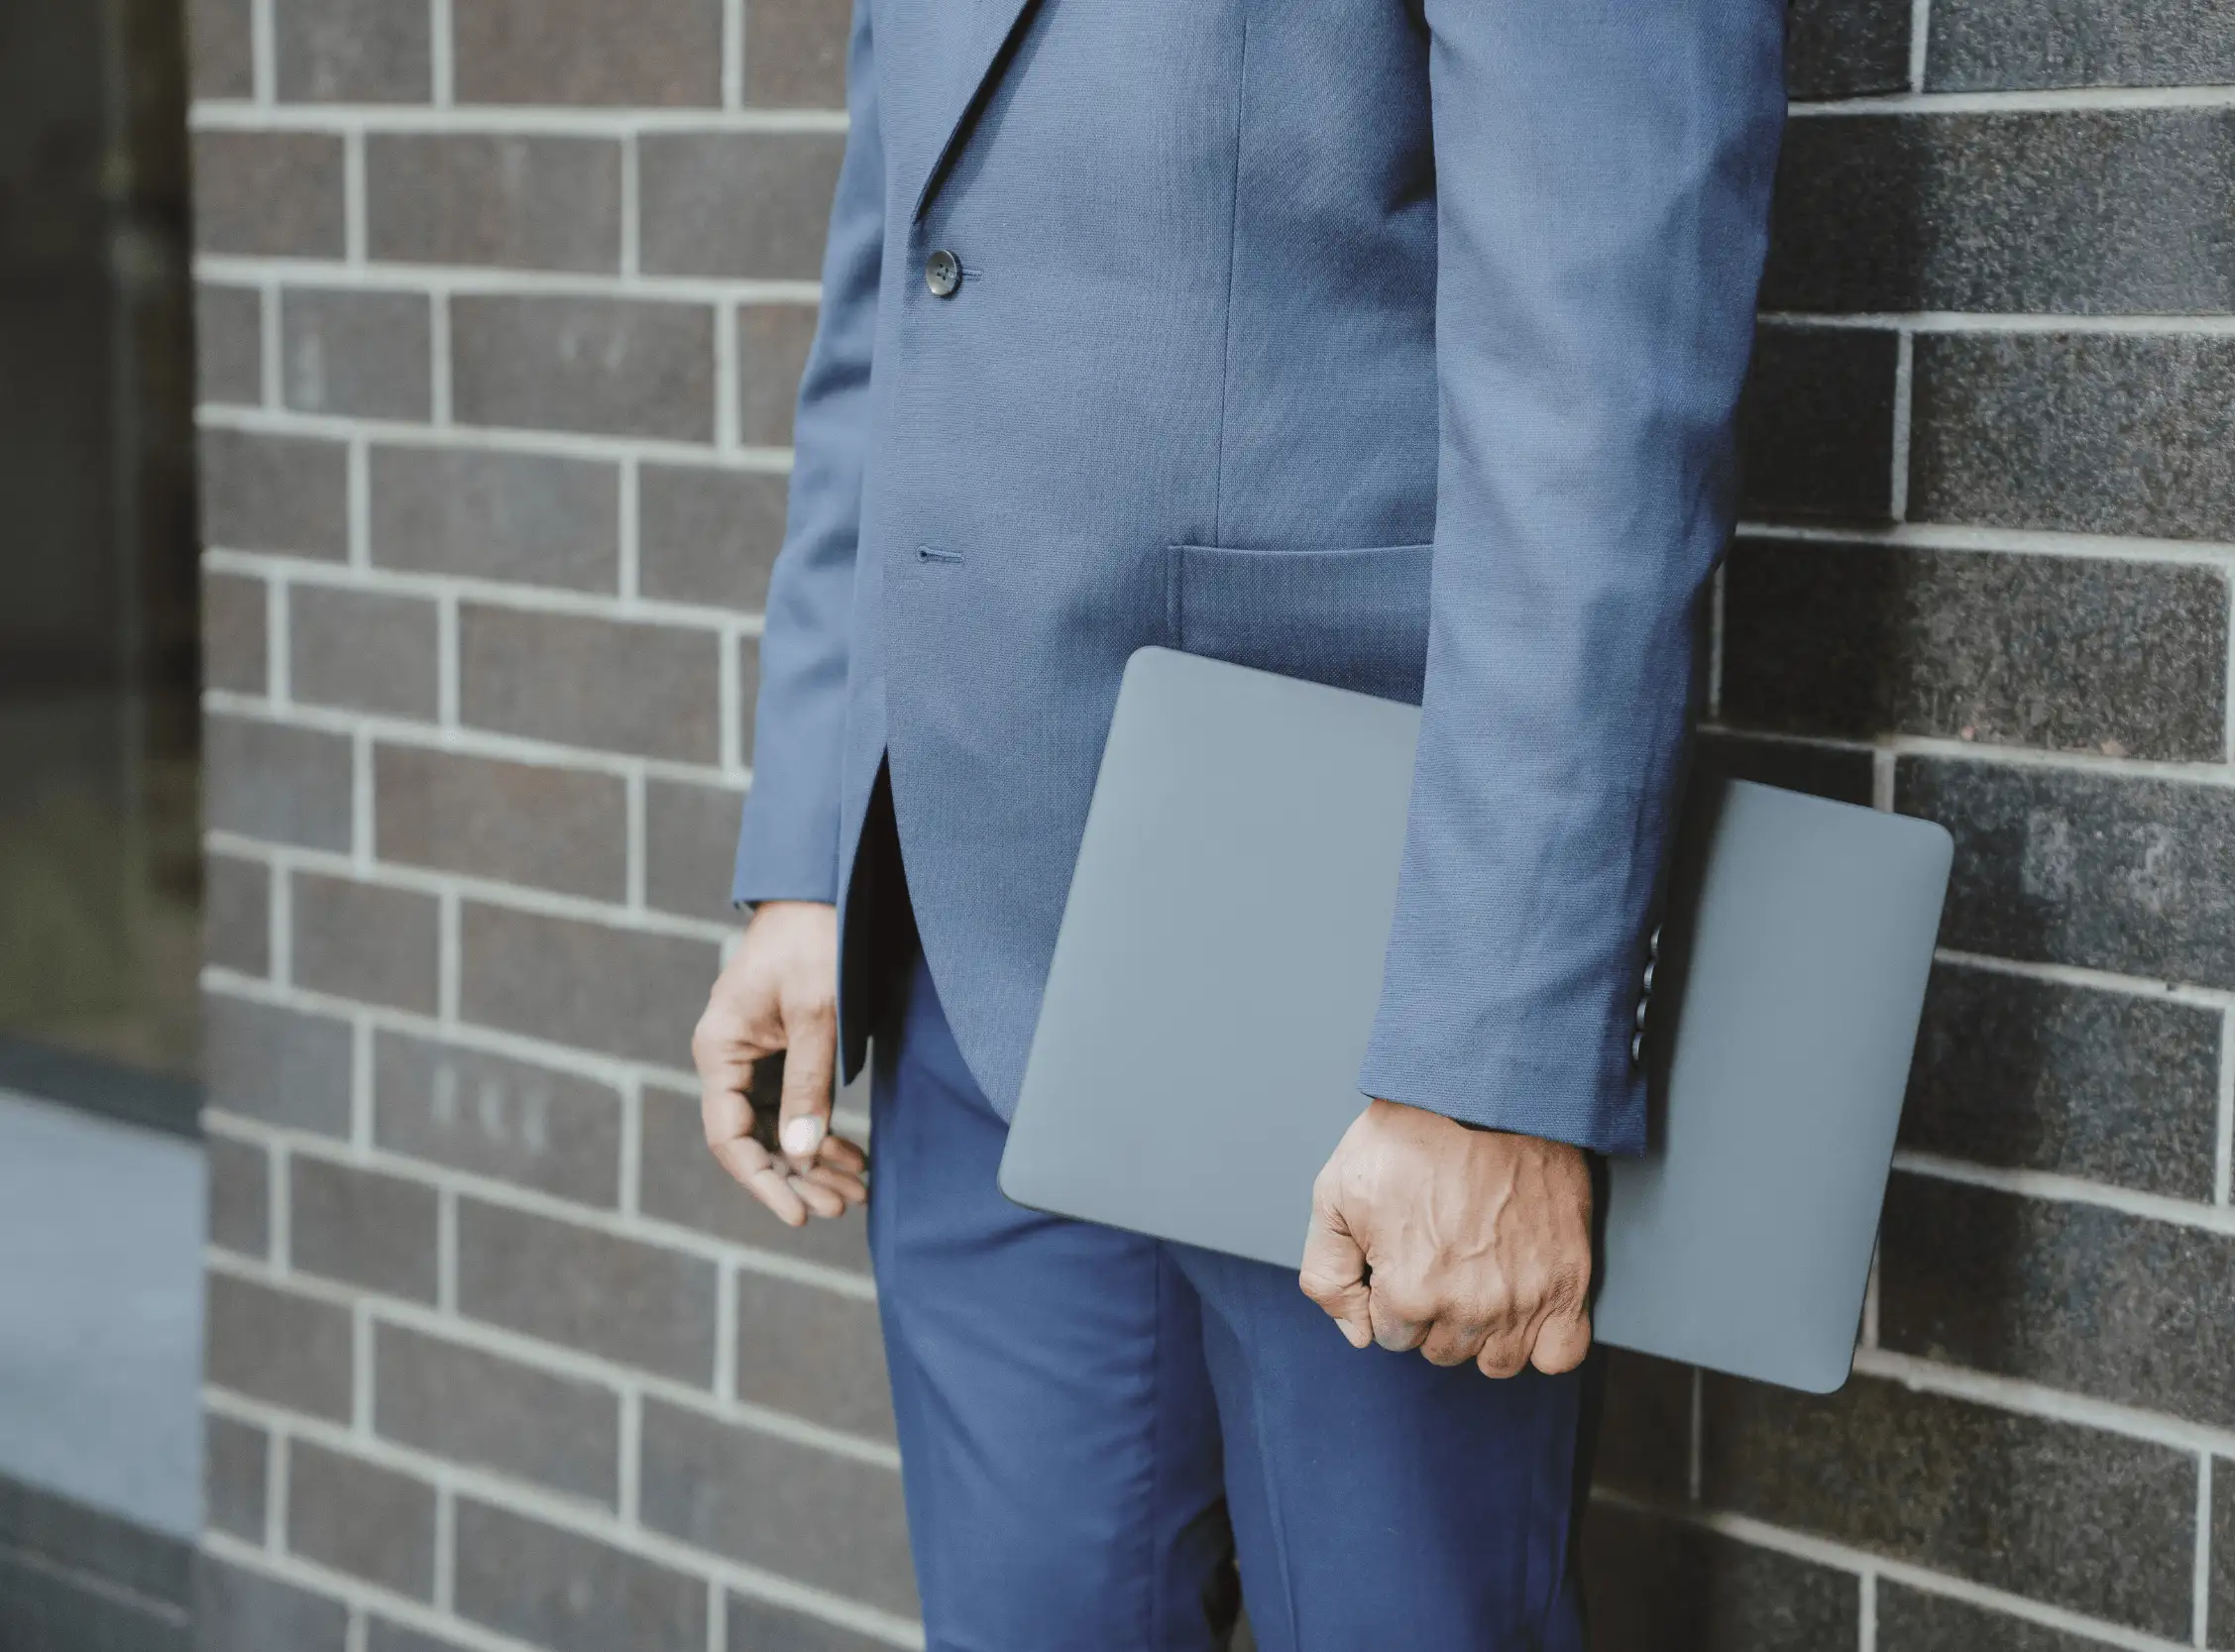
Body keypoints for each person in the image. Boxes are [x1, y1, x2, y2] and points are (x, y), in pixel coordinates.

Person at [691, 0, 1786, 1644]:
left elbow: (1601, 398)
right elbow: (897, 312)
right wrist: (808, 856)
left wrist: (1491, 1061)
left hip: (1366, 984)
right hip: (962, 970)